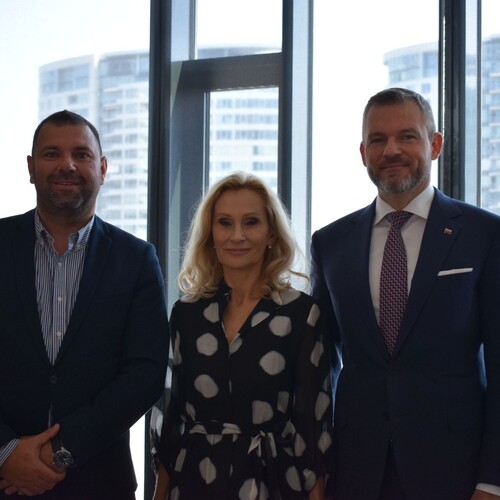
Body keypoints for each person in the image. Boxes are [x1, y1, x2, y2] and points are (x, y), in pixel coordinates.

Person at [310, 87, 500, 500]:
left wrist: (492, 480)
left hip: (456, 471)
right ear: (363, 153)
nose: (391, 150)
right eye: (378, 140)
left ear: (435, 145)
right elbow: (320, 367)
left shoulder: (484, 234)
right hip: (355, 471)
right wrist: (316, 470)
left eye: (407, 136)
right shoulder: (330, 243)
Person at [0, 110, 169, 499]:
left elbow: (145, 373)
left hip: (99, 483)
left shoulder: (137, 259)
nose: (68, 165)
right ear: (31, 168)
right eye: (52, 154)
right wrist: (7, 452)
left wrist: (60, 453)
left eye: (81, 154)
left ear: (103, 168)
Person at [150, 172, 332, 499]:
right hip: (194, 482)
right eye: (224, 223)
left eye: (251, 222)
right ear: (210, 235)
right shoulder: (186, 315)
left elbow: (313, 423)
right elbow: (170, 418)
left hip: (273, 481)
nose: (237, 235)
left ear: (271, 233)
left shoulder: (302, 314)